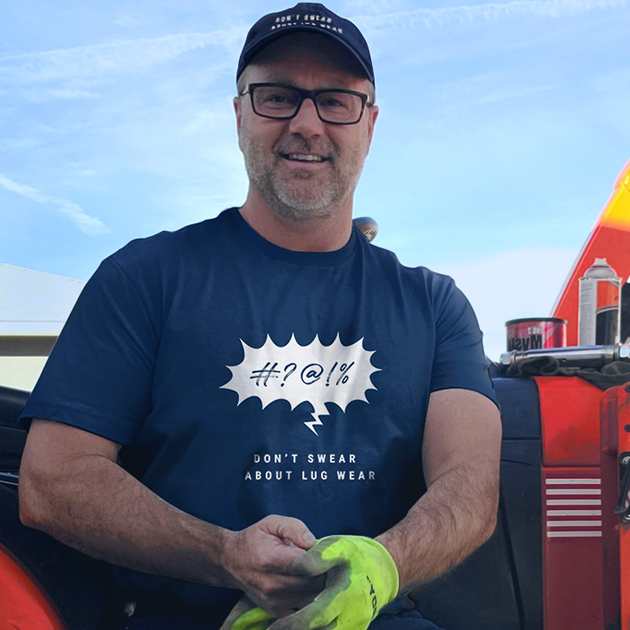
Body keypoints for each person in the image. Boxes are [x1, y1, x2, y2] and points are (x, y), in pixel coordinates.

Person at [18, 4, 502, 630]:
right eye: (277, 96)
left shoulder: (434, 306)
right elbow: (51, 480)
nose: (306, 123)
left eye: (336, 100)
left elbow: (469, 485)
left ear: (370, 123)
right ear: (240, 113)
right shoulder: (145, 278)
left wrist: (380, 568)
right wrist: (222, 554)